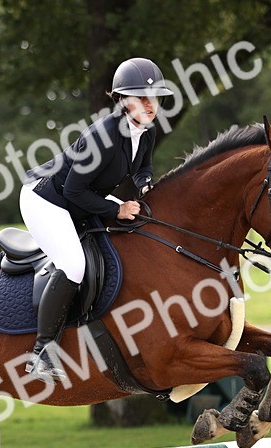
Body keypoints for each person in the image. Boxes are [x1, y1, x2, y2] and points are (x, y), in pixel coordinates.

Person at [19, 57, 174, 381]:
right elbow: (75, 191)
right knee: (74, 263)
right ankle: (42, 351)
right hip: (46, 199)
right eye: (140, 98)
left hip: (81, 198)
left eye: (154, 98)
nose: (149, 105)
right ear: (121, 100)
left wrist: (144, 184)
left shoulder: (146, 131)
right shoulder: (102, 137)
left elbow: (143, 167)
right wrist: (116, 210)